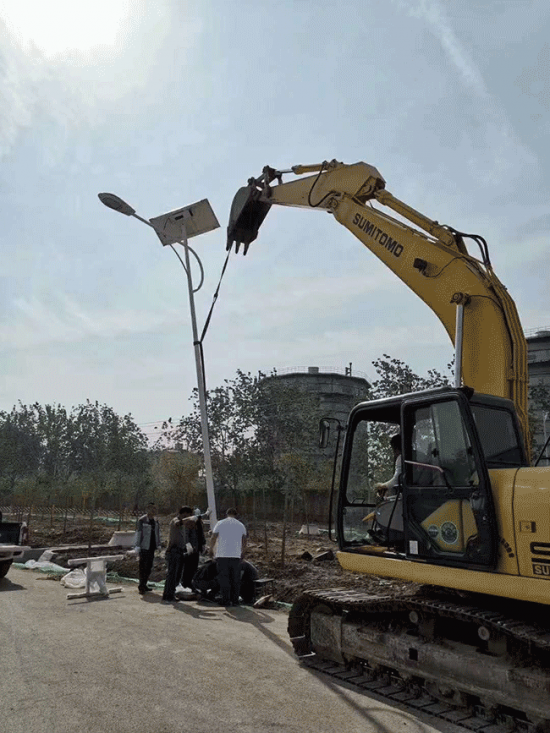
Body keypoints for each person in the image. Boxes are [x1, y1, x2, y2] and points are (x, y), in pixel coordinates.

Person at [208, 508, 247, 607]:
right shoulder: (241, 525)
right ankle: (235, 601)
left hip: (222, 555)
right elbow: (244, 541)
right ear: (236, 515)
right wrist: (243, 552)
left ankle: (225, 600)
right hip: (236, 556)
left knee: (224, 578)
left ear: (226, 514)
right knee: (235, 578)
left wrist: (211, 549)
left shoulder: (220, 523)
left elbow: (213, 537)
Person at [162, 507, 198, 602]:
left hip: (180, 550)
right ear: (183, 514)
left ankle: (170, 593)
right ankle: (168, 595)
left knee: (176, 575)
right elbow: (178, 523)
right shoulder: (176, 521)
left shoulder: (183, 525)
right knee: (172, 574)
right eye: (187, 515)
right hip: (174, 550)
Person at [192, 558, 258, 605]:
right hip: (199, 582)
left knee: (224, 580)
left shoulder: (238, 565)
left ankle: (208, 594)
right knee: (222, 579)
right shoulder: (214, 566)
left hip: (250, 580)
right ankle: (208, 594)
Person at [134, 502, 161, 594]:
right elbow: (139, 533)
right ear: (148, 509)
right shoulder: (142, 520)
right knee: (143, 567)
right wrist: (137, 546)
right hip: (144, 547)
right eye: (152, 508)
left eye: (155, 509)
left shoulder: (156, 521)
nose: (154, 510)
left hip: (152, 547)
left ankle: (144, 584)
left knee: (149, 566)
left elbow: (157, 534)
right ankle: (141, 586)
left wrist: (159, 544)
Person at [179, 506, 206, 590]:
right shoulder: (187, 522)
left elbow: (201, 534)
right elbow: (186, 534)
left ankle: (189, 583)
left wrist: (203, 544)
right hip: (189, 548)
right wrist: (188, 545)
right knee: (187, 567)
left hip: (196, 548)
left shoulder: (198, 523)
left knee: (193, 566)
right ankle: (185, 583)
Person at [374, 434, 402, 499]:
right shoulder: (418, 455)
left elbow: (396, 480)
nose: (394, 453)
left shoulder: (401, 458)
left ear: (397, 448)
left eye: (394, 449)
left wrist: (383, 486)